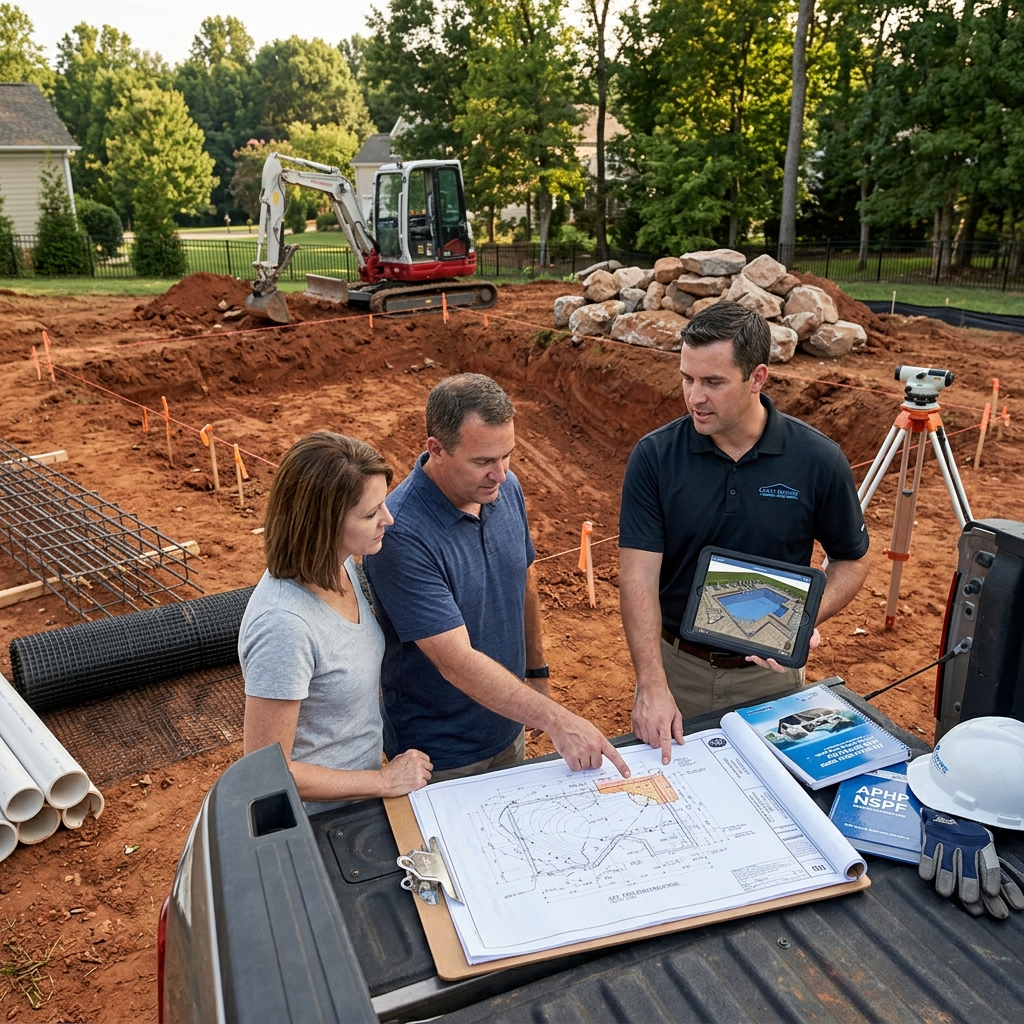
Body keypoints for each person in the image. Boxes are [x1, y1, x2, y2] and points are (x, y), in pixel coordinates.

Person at [619, 301, 871, 763]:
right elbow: (637, 577)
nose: (695, 397)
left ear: (757, 378)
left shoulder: (818, 460)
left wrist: (806, 618)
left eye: (713, 382)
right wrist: (651, 684)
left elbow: (851, 560)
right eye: (687, 378)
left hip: (770, 679)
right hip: (677, 670)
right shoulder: (654, 457)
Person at [365, 373, 629, 782]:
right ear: (436, 449)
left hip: (510, 721)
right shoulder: (402, 534)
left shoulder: (506, 490)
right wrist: (557, 720)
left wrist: (537, 674)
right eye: (483, 461)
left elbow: (523, 580)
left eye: (507, 455)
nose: (500, 473)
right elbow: (456, 663)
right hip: (443, 753)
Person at [241, 432, 432, 812]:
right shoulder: (285, 626)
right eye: (370, 513)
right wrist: (382, 780)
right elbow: (267, 771)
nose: (388, 519)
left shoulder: (340, 563)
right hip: (317, 826)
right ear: (323, 523)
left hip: (356, 803)